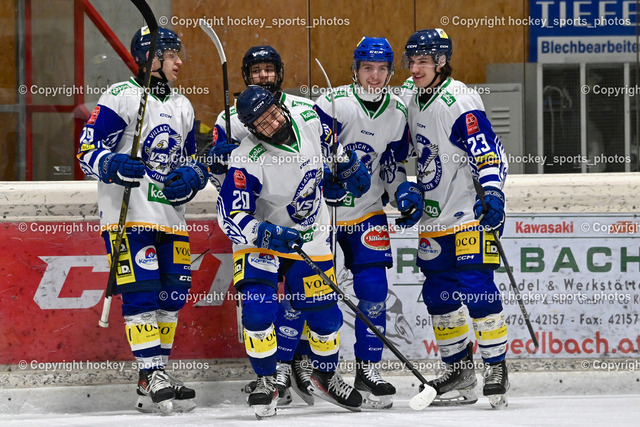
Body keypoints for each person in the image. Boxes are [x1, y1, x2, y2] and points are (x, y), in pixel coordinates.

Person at [216, 85, 371, 418]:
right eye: (262, 123)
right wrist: (263, 232)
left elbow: (332, 145)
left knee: (327, 318)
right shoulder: (246, 158)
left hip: (310, 233)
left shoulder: (307, 115)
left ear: (280, 106)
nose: (273, 124)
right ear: (252, 128)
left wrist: (346, 166)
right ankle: (267, 380)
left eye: (273, 114)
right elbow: (229, 214)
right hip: (261, 240)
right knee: (257, 312)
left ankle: (325, 375)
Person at [77, 26, 209, 414]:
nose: (179, 62)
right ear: (151, 58)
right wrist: (112, 163)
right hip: (130, 216)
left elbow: (187, 162)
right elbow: (86, 152)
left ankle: (154, 374)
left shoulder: (183, 105)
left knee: (172, 297)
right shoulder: (120, 96)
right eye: (171, 55)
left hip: (171, 217)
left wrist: (193, 177)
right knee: (141, 293)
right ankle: (151, 371)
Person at [400, 28, 510, 409]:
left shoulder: (459, 100)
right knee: (438, 295)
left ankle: (496, 368)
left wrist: (493, 192)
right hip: (434, 219)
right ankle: (459, 371)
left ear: (442, 62)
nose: (415, 69)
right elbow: (400, 148)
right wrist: (406, 189)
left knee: (477, 288)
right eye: (412, 61)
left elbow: (487, 150)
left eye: (423, 61)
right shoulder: (411, 98)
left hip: (469, 214)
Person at [311, 36, 421, 409]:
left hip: (368, 209)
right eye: (367, 68)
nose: (374, 76)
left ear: (390, 72)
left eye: (382, 69)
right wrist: (327, 177)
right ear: (355, 70)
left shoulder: (398, 110)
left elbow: (391, 163)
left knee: (374, 290)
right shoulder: (331, 103)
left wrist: (402, 189)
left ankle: (367, 370)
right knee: (314, 291)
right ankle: (303, 365)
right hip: (325, 213)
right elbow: (308, 153)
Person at [208, 45, 317, 406]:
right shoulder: (228, 120)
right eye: (256, 71)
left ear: (279, 72)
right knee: (259, 306)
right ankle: (267, 376)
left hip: (300, 223)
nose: (263, 76)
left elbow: (327, 156)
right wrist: (216, 165)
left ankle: (294, 362)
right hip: (256, 228)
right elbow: (222, 185)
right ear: (246, 77)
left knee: (301, 299)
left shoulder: (303, 109)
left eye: (268, 69)